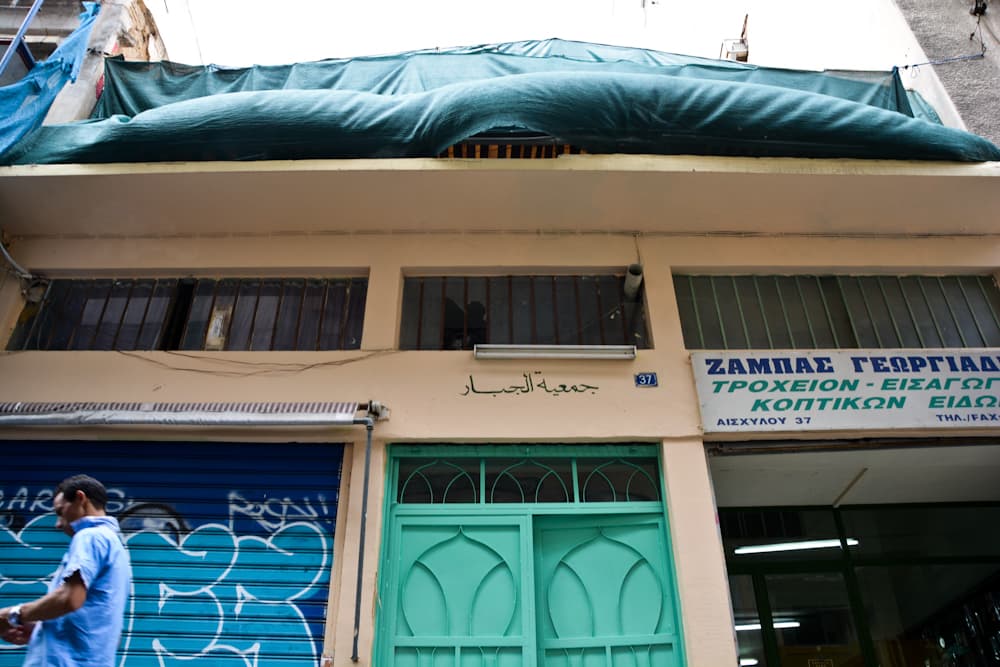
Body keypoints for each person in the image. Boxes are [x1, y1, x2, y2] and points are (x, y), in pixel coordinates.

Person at [0, 474, 131, 666]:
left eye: (61, 512)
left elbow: (69, 599)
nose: (58, 524)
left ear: (80, 498)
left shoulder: (90, 537)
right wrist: (39, 627)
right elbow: (93, 616)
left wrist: (14, 614)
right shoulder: (114, 545)